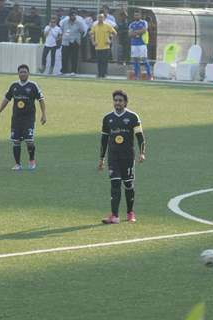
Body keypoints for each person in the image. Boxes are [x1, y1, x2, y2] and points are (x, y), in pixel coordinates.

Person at [98, 90, 146, 224]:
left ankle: (130, 212)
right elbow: (104, 140)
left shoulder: (132, 117)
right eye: (115, 100)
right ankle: (114, 216)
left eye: (120, 100)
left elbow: (140, 137)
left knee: (128, 185)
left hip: (128, 157)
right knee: (115, 183)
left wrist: (142, 153)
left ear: (125, 102)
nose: (117, 103)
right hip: (113, 157)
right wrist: (101, 158)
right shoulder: (107, 118)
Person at [0, 64, 47, 171]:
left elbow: (41, 99)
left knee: (29, 141)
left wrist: (43, 114)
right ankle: (17, 164)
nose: (23, 74)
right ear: (18, 73)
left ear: (28, 73)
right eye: (21, 72)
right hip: (16, 119)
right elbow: (6, 99)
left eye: (25, 72)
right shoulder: (14, 86)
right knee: (16, 141)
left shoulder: (33, 85)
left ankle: (32, 160)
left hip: (29, 118)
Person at [60, 9, 86, 75]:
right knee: (64, 57)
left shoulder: (79, 23)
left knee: (74, 57)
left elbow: (83, 31)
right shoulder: (64, 22)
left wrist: (78, 38)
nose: (73, 17)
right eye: (72, 15)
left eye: (74, 15)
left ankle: (73, 71)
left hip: (75, 42)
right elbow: (62, 30)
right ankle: (64, 71)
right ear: (69, 16)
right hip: (66, 41)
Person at [90, 13, 116, 78]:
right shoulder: (95, 26)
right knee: (99, 61)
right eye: (99, 17)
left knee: (104, 61)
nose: (100, 19)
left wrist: (110, 40)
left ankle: (104, 74)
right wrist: (93, 42)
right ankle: (99, 74)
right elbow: (91, 34)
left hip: (105, 47)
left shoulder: (107, 25)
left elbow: (115, 33)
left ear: (104, 18)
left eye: (101, 17)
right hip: (98, 47)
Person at [129, 10, 152, 80]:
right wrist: (138, 32)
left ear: (140, 16)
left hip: (142, 44)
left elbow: (144, 30)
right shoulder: (131, 24)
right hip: (134, 44)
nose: (136, 16)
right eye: (135, 15)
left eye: (138, 15)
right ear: (134, 16)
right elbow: (130, 34)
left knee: (144, 60)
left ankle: (149, 75)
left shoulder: (144, 22)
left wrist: (135, 32)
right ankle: (136, 76)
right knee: (135, 60)